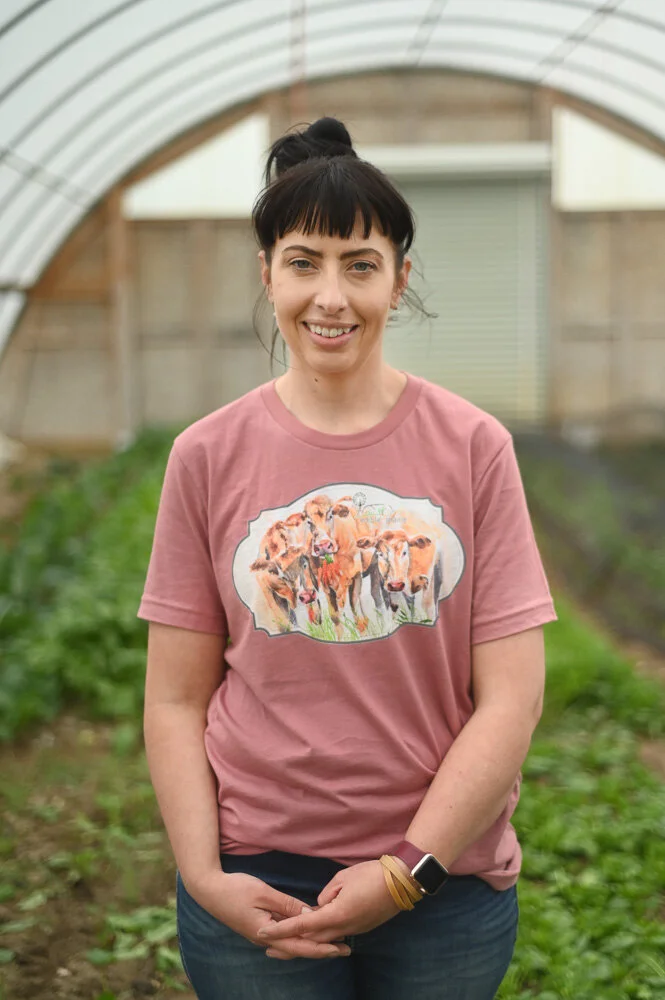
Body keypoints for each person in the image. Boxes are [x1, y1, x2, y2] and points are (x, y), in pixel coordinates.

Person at [139, 116, 557, 1000]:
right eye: (303, 262)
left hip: (442, 882)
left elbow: (511, 697)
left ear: (398, 281)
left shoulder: (472, 446)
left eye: (359, 265)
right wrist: (205, 876)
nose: (330, 296)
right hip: (257, 876)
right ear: (266, 273)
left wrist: (408, 868)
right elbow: (175, 697)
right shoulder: (206, 456)